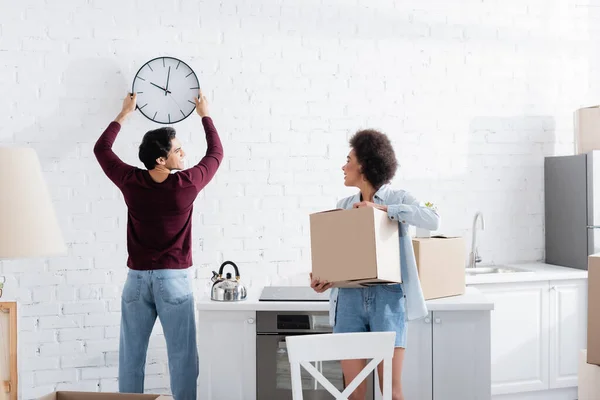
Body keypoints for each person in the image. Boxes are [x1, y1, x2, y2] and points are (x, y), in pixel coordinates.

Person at [93, 91, 223, 400]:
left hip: (135, 282)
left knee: (130, 359)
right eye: (178, 150)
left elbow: (101, 149)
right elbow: (216, 153)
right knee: (182, 359)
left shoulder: (130, 181)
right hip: (173, 282)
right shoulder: (186, 185)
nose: (184, 154)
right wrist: (205, 115)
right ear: (161, 159)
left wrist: (124, 113)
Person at [310, 129, 440, 400]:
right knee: (354, 393)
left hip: (388, 299)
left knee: (391, 392)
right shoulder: (344, 205)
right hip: (348, 300)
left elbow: (433, 218)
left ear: (364, 165)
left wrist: (384, 210)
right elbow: (345, 258)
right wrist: (325, 279)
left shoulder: (398, 198)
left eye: (348, 160)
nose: (343, 166)